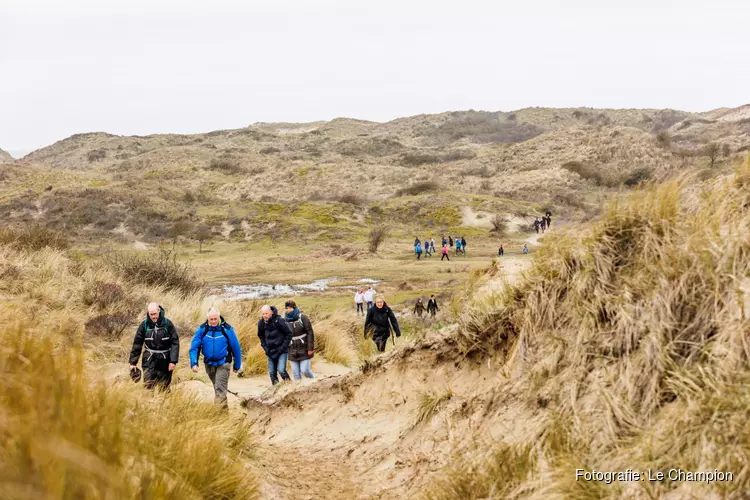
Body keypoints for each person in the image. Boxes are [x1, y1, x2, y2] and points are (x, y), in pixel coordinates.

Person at [189, 307, 242, 409]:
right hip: (209, 364)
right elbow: (194, 347)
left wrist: (237, 365)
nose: (213, 321)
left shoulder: (227, 329)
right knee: (217, 388)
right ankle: (224, 415)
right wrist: (194, 363)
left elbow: (236, 347)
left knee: (219, 389)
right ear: (207, 319)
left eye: (215, 319)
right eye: (211, 319)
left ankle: (219, 416)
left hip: (223, 363)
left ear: (219, 317)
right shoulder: (202, 329)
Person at [129, 302, 179, 391]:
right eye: (151, 314)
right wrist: (133, 363)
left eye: (155, 314)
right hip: (149, 359)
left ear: (159, 311)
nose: (153, 317)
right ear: (148, 313)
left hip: (165, 360)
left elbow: (175, 342)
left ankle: (164, 403)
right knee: (148, 386)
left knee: (164, 387)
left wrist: (173, 361)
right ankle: (149, 403)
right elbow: (137, 343)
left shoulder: (167, 324)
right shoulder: (144, 325)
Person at [257, 305, 293, 385]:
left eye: (266, 313)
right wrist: (266, 349)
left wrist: (282, 348)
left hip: (282, 350)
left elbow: (289, 334)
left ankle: (290, 387)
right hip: (270, 351)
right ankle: (275, 391)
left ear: (271, 312)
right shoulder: (261, 323)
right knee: (272, 373)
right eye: (263, 314)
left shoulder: (279, 320)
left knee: (281, 370)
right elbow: (261, 336)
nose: (264, 316)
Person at [284, 300, 315, 381]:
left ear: (294, 307)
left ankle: (316, 382)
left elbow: (310, 333)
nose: (288, 310)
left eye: (290, 308)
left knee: (305, 370)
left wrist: (310, 348)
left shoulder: (302, 317)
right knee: (296, 374)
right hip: (292, 350)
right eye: (286, 308)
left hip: (304, 349)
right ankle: (299, 391)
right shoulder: (285, 320)